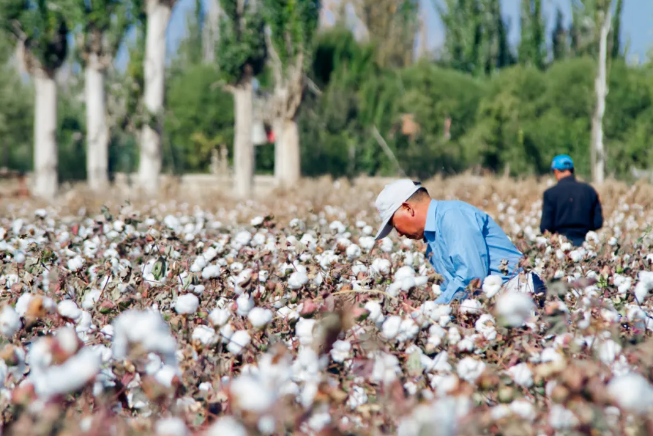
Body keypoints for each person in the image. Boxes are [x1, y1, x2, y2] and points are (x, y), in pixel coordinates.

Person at [374, 179, 545, 304]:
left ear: (408, 208)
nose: (399, 234)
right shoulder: (433, 240)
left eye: (394, 224)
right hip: (497, 302)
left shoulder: (452, 216)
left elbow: (472, 276)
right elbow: (455, 285)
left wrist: (435, 309)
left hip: (523, 296)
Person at [540, 155, 603, 247]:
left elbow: (545, 227)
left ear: (556, 171)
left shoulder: (550, 193)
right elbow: (598, 222)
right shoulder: (589, 191)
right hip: (586, 245)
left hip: (561, 247)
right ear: (572, 170)